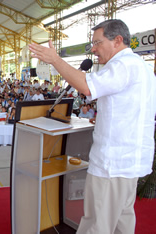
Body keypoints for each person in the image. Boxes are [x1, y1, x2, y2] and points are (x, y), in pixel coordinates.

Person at [29, 19, 156, 234]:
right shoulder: (141, 66)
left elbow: (87, 86)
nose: (94, 49)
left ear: (117, 40)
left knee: (97, 224)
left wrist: (55, 60)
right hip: (129, 163)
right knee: (120, 223)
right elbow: (135, 108)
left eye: (97, 42)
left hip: (112, 164)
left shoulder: (122, 65)